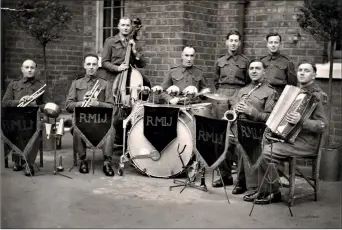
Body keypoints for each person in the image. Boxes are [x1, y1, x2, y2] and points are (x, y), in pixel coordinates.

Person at [243, 60, 327, 204]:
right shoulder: (294, 92)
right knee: (261, 144)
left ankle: (273, 192)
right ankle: (263, 189)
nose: (302, 73)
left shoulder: (318, 96)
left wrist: (302, 121)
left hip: (306, 143)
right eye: (300, 70)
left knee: (268, 152)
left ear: (314, 75)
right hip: (290, 139)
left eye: (307, 71)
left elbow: (322, 125)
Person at [212, 59, 277, 190]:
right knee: (219, 140)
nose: (254, 71)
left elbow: (271, 118)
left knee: (242, 144)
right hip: (238, 128)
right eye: (251, 68)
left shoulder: (270, 92)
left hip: (256, 132)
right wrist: (235, 109)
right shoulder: (243, 90)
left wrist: (251, 111)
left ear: (264, 72)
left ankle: (242, 181)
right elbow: (234, 110)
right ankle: (226, 176)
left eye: (257, 68)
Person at [65, 54, 115, 177]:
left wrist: (97, 103)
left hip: (100, 121)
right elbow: (68, 106)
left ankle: (107, 162)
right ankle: (82, 160)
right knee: (76, 128)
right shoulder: (76, 83)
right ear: (84, 66)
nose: (91, 67)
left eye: (94, 64)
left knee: (111, 129)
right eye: (88, 64)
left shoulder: (105, 84)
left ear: (98, 66)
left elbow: (112, 107)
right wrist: (82, 103)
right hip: (82, 121)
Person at [212, 30, 250, 185]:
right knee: (222, 135)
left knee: (236, 135)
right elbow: (216, 80)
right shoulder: (220, 61)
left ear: (239, 43)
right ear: (226, 42)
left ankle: (241, 177)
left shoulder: (246, 61)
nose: (233, 43)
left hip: (238, 94)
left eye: (236, 40)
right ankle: (224, 175)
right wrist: (221, 94)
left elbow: (248, 82)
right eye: (231, 40)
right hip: (222, 96)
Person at [2, 59, 50, 176]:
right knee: (14, 130)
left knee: (35, 132)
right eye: (27, 67)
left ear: (36, 70)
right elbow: (5, 102)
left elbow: (47, 105)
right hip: (16, 119)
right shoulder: (14, 84)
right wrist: (19, 101)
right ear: (22, 69)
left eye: (32, 67)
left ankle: (29, 163)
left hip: (33, 119)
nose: (29, 70)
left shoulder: (41, 86)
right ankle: (18, 160)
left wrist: (35, 105)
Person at [101, 17, 146, 83]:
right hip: (113, 79)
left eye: (128, 25)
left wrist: (134, 51)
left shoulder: (136, 43)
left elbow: (142, 64)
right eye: (123, 25)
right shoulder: (110, 42)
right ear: (118, 26)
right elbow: (104, 63)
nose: (125, 28)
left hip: (130, 79)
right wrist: (117, 68)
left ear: (131, 27)